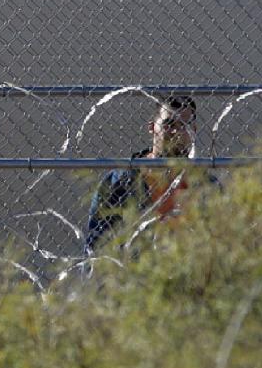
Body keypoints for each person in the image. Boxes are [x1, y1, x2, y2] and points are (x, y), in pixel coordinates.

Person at [84, 95, 201, 254]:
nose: (177, 131)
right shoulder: (119, 182)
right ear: (152, 127)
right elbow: (96, 246)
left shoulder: (204, 185)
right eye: (169, 124)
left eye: (184, 125)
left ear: (194, 131)